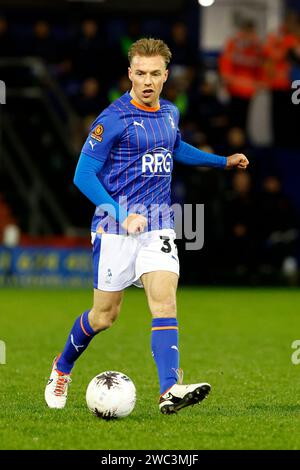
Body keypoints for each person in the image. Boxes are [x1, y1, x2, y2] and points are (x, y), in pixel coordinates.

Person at [45, 38, 249, 414]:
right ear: (130, 74)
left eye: (155, 74)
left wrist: (223, 161)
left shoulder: (170, 112)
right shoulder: (112, 118)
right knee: (104, 316)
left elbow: (176, 147)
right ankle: (62, 367)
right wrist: (122, 214)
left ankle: (169, 389)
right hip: (114, 227)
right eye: (140, 73)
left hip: (158, 223)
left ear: (166, 75)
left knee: (165, 301)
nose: (147, 81)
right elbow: (83, 174)